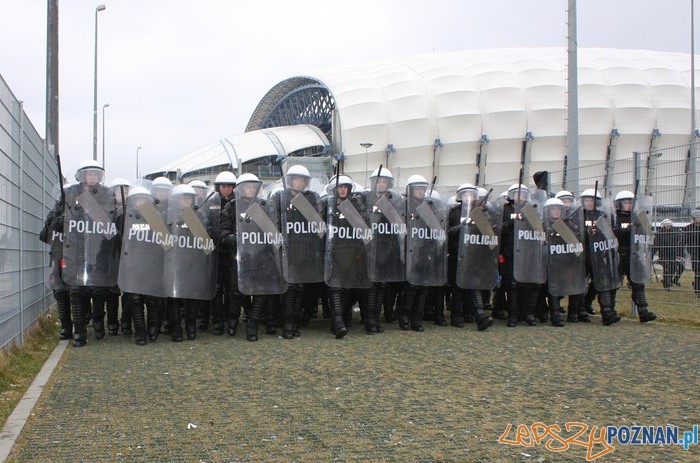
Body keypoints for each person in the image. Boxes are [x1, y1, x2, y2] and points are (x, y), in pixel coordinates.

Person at [53, 160, 119, 347]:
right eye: (89, 174)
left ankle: (98, 322)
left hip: (97, 250)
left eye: (96, 174)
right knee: (75, 291)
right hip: (75, 250)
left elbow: (109, 223)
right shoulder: (71, 192)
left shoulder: (107, 193)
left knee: (98, 290)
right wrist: (61, 219)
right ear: (82, 175)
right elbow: (58, 222)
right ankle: (79, 332)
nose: (93, 177)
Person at [274, 165, 325, 339]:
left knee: (300, 288)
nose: (300, 183)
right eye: (297, 179)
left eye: (303, 180)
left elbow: (319, 223)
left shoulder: (313, 198)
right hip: (287, 250)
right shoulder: (279, 197)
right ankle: (287, 324)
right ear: (290, 180)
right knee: (289, 288)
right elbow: (273, 222)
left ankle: (295, 322)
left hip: (306, 250)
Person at [612, 191, 657, 323]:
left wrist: (640, 225)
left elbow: (647, 235)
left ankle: (643, 312)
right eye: (626, 202)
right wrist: (628, 229)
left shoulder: (637, 217)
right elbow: (614, 234)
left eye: (631, 202)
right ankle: (609, 311)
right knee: (614, 283)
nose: (629, 205)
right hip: (618, 255)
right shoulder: (614, 218)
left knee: (638, 283)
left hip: (634, 256)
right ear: (619, 204)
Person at [653, 219, 684, 290]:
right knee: (667, 268)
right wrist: (651, 255)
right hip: (663, 255)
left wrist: (679, 254)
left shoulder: (676, 233)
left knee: (678, 267)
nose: (667, 226)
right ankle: (666, 285)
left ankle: (673, 281)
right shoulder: (659, 234)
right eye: (666, 224)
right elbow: (655, 246)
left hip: (672, 255)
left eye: (669, 224)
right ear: (663, 225)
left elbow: (679, 245)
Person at [682, 209, 700, 296]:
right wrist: (680, 252)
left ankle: (697, 285)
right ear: (694, 218)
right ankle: (698, 290)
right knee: (697, 271)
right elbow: (683, 241)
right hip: (695, 252)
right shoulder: (688, 228)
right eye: (698, 217)